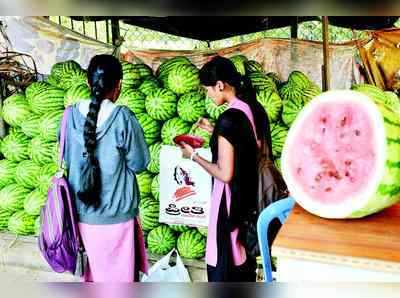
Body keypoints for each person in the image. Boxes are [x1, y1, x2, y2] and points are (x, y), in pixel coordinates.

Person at [179, 56, 273, 282]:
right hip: (247, 200)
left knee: (224, 265)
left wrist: (192, 156)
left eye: (207, 90)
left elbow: (224, 173)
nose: (208, 95)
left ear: (220, 85)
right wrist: (214, 131)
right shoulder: (251, 108)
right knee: (240, 259)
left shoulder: (228, 119)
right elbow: (247, 145)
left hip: (228, 202)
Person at [62, 55, 150, 282]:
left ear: (88, 83)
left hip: (81, 217)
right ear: (119, 85)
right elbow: (139, 163)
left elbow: (66, 155)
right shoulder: (123, 118)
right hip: (117, 218)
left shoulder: (68, 116)